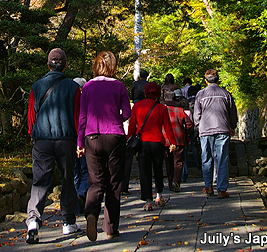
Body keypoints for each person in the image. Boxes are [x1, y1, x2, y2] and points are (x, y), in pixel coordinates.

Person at [26, 48, 81, 244]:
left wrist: (33, 135)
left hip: (41, 139)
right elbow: (77, 116)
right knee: (68, 180)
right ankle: (68, 222)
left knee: (40, 182)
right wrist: (79, 140)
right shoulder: (73, 87)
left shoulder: (36, 86)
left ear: (48, 65)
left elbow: (31, 117)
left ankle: (33, 220)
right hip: (65, 138)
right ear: (65, 65)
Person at [77, 51, 131, 242]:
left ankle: (91, 213)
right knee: (114, 183)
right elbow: (127, 113)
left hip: (92, 137)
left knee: (96, 181)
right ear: (113, 66)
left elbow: (82, 117)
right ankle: (110, 228)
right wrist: (116, 116)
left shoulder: (88, 87)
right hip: (115, 136)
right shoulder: (119, 86)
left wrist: (79, 143)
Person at [127, 82, 177, 211]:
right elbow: (168, 127)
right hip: (158, 142)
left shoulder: (137, 106)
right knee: (158, 169)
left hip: (143, 142)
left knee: (144, 171)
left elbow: (132, 127)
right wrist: (172, 142)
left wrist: (129, 139)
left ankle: (148, 201)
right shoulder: (162, 108)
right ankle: (159, 195)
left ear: (145, 92)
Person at [194, 68, 238, 199]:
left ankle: (208, 186)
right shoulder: (225, 94)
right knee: (222, 158)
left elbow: (197, 115)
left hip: (206, 130)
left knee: (206, 158)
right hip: (222, 128)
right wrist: (232, 126)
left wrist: (198, 127)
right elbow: (232, 113)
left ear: (206, 81)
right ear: (218, 80)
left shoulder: (200, 94)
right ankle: (222, 189)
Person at [164, 89, 193, 192]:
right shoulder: (179, 110)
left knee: (169, 162)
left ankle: (170, 182)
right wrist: (185, 133)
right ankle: (176, 181)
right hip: (179, 138)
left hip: (166, 139)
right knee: (178, 162)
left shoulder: (162, 110)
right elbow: (189, 124)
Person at [72, 77, 89, 214]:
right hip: (83, 139)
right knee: (86, 171)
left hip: (70, 138)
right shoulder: (86, 99)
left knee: (75, 172)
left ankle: (76, 203)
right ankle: (81, 194)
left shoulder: (67, 99)